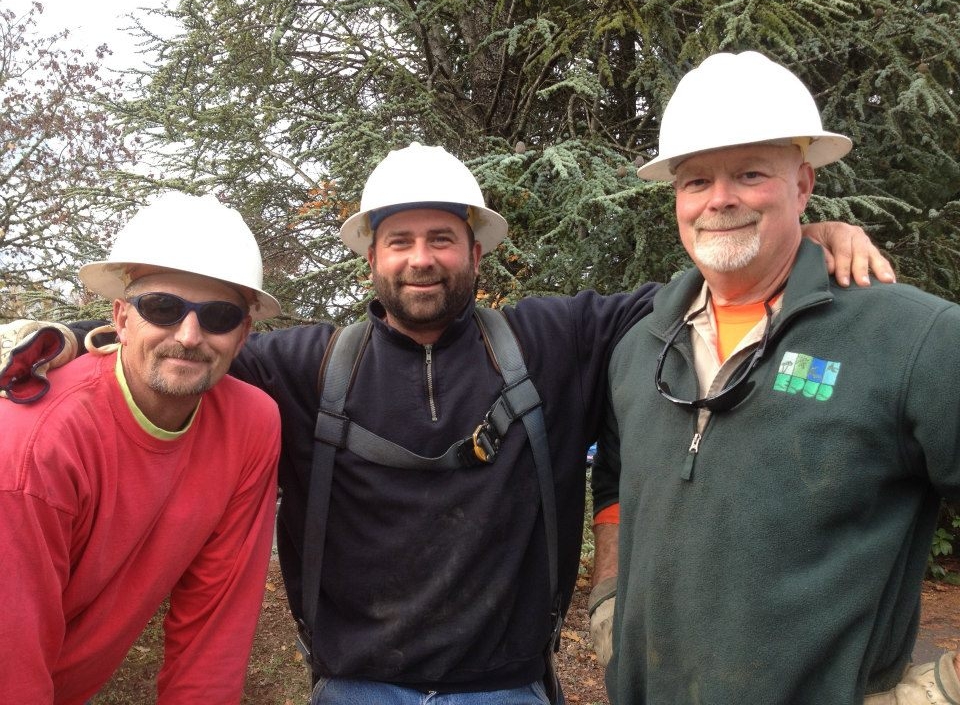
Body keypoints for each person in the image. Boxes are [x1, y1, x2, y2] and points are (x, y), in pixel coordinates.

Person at [3, 145, 891, 704]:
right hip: (355, 689)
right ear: (372, 256)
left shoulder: (557, 338)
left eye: (441, 238)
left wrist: (811, 239)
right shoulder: (304, 365)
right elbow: (171, 352)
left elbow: (703, 287)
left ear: (476, 250)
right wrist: (56, 344)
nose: (421, 258)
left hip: (507, 690)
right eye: (400, 240)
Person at [591, 50, 960, 705]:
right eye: (696, 180)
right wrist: (609, 606)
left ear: (803, 185)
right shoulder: (641, 349)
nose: (720, 199)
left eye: (750, 173)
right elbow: (617, 479)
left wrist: (940, 689)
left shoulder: (911, 340)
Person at [0, 192, 283, 704]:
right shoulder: (35, 444)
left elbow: (214, 629)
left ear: (243, 335)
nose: (190, 335)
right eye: (163, 308)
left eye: (218, 316)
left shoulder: (250, 425)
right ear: (121, 316)